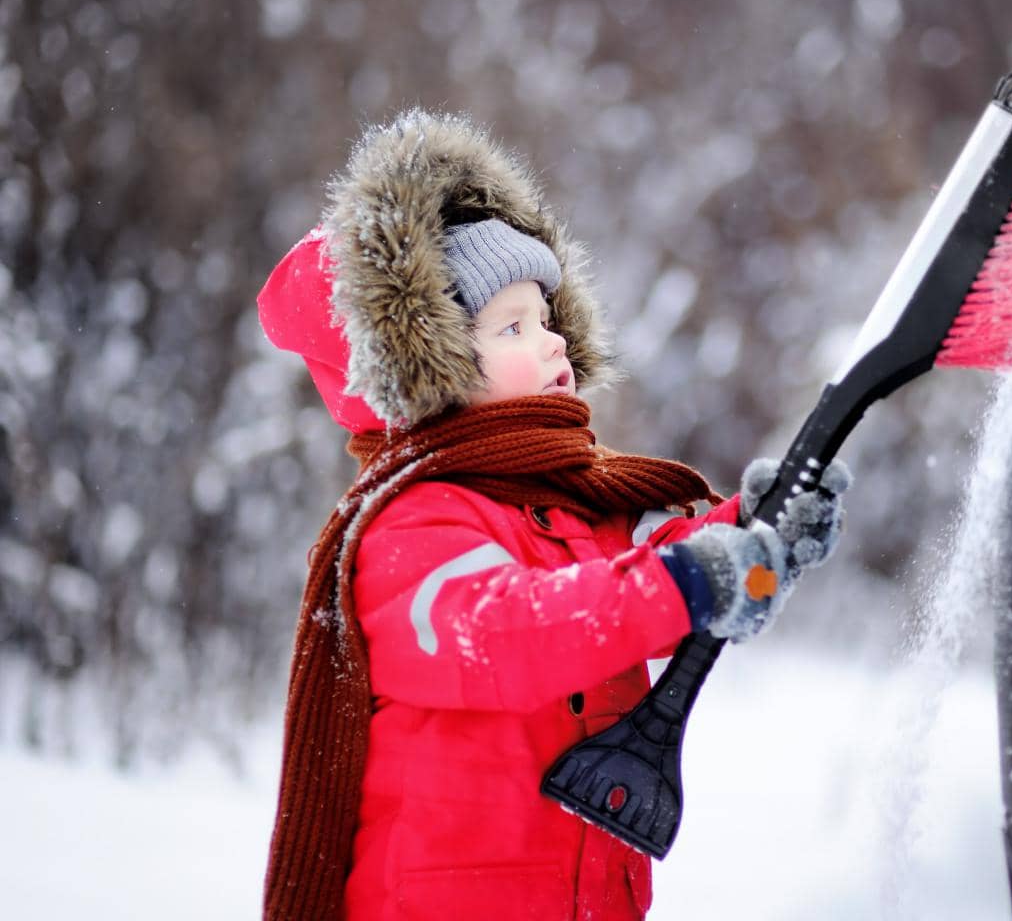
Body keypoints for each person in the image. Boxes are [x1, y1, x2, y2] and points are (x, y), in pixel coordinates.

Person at [255, 108, 851, 921]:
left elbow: (614, 587)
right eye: (512, 327)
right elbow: (517, 632)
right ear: (432, 367)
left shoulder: (564, 508)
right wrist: (683, 582)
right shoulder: (409, 529)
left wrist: (749, 529)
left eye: (546, 317)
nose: (552, 344)